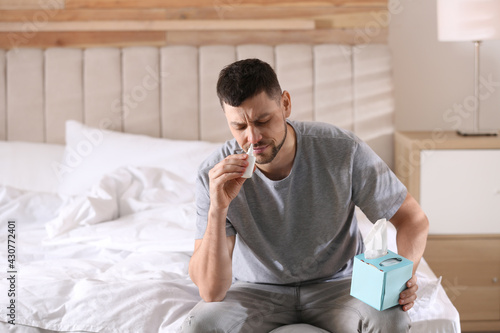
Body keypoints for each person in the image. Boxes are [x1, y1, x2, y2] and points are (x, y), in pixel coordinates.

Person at [181, 58, 429, 333]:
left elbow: (412, 219)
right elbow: (211, 292)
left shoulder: (343, 151)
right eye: (239, 127)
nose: (253, 137)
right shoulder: (213, 174)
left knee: (391, 320)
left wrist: (403, 278)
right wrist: (219, 208)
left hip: (341, 286)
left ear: (285, 103)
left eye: (263, 121)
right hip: (254, 292)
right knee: (199, 325)